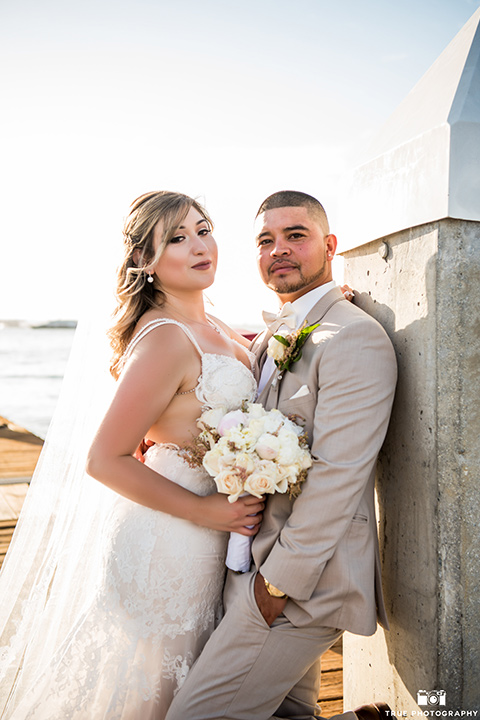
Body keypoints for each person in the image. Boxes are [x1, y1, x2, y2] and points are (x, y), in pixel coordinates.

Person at [0, 191, 264, 719]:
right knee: (152, 695)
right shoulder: (166, 339)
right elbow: (104, 458)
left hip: (207, 537)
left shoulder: (212, 326)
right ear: (145, 262)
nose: (199, 245)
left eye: (203, 228)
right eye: (177, 238)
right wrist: (207, 511)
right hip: (168, 541)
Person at [165, 190, 398, 720]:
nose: (280, 250)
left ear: (330, 245)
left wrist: (276, 586)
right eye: (266, 241)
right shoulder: (274, 333)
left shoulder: (354, 338)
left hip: (299, 585)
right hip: (249, 568)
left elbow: (339, 475)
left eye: (296, 235)